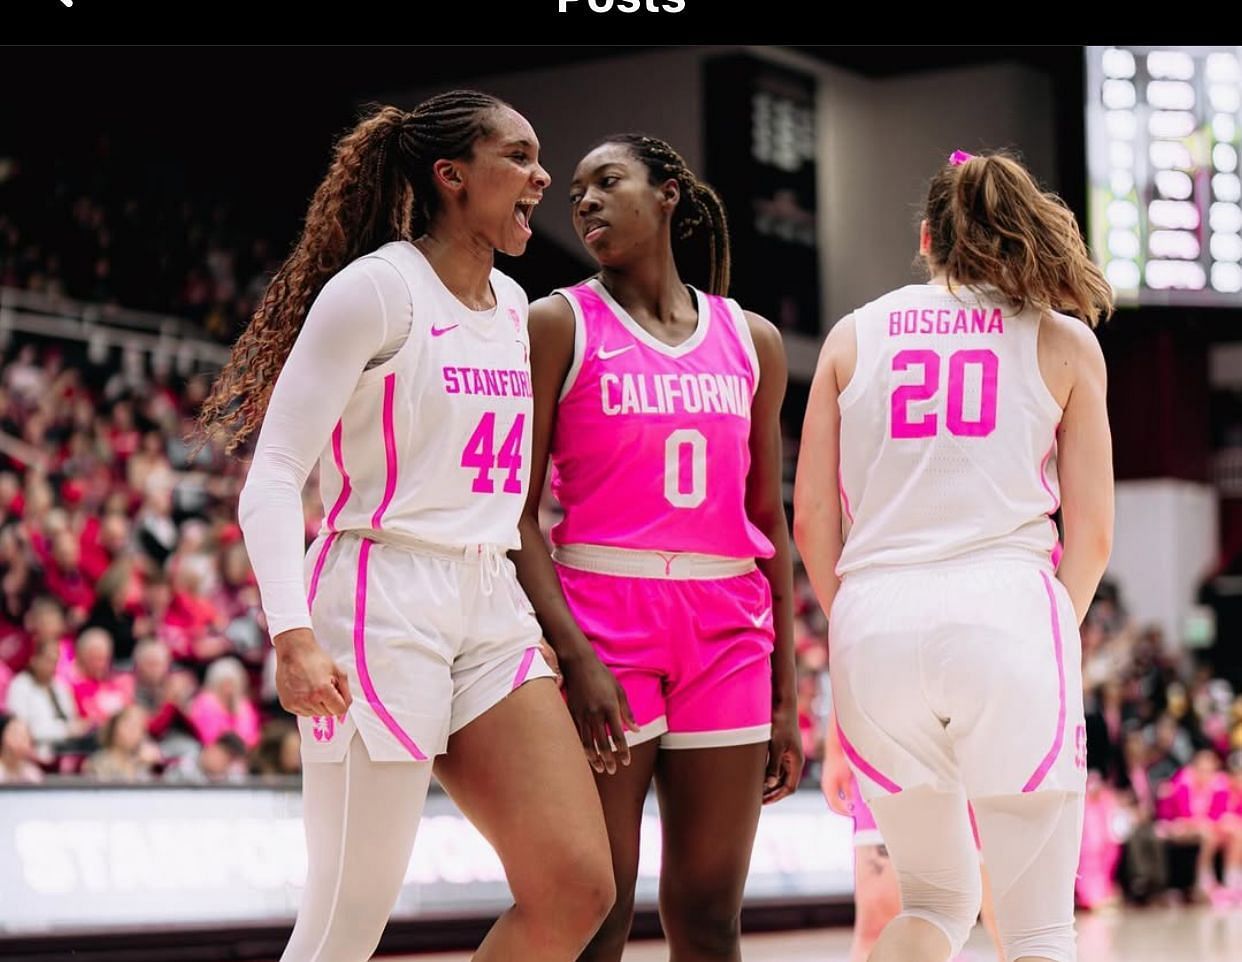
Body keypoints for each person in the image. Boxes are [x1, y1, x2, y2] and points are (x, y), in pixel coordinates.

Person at [198, 91, 613, 962]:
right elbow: (272, 476)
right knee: (348, 919)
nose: (543, 176)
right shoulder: (376, 291)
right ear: (451, 176)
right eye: (520, 156)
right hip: (379, 597)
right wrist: (292, 633)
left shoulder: (511, 302)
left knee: (578, 886)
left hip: (490, 599)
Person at [794, 150, 1114, 962]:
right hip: (1006, 610)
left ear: (929, 237)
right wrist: (1049, 634)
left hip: (874, 621)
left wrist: (861, 617)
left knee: (935, 900)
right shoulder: (1063, 340)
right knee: (1037, 926)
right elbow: (1095, 532)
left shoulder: (849, 335)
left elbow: (811, 522)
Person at [513, 133, 802, 962]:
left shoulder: (752, 340)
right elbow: (518, 517)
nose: (586, 203)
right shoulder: (558, 322)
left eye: (608, 182)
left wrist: (785, 697)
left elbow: (769, 528)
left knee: (710, 917)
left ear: (669, 193)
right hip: (605, 619)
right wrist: (575, 655)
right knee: (596, 912)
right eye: (575, 194)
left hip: (727, 631)